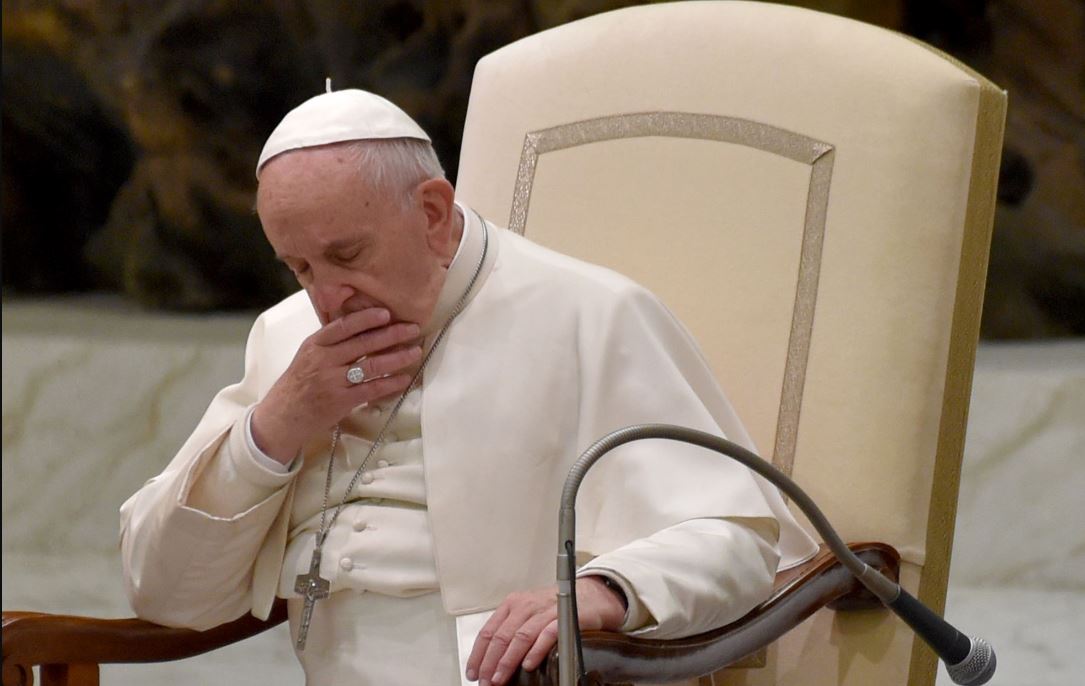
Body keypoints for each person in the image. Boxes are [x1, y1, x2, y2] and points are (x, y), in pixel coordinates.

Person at [120, 88, 818, 686]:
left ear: (430, 210)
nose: (326, 298)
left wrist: (602, 593)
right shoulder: (287, 337)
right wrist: (277, 425)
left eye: (346, 255)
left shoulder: (588, 313)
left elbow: (736, 539)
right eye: (298, 266)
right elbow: (165, 588)